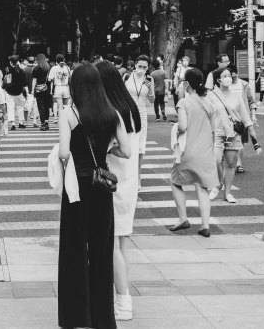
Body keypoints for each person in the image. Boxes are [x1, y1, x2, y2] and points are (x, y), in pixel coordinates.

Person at [57, 62, 131, 329]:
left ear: (76, 86)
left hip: (77, 186)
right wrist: (106, 152)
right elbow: (127, 151)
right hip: (102, 185)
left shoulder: (69, 113)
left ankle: (75, 315)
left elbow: (65, 153)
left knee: (74, 247)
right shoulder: (111, 113)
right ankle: (102, 317)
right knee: (102, 248)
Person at [95, 61, 141, 321]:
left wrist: (103, 148)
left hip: (110, 181)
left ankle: (123, 301)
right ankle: (121, 295)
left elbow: (121, 149)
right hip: (128, 181)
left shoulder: (111, 111)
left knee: (111, 243)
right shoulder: (130, 107)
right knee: (121, 242)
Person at [169, 68, 218, 237]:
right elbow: (213, 130)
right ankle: (205, 225)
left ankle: (183, 218)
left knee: (175, 181)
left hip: (188, 152)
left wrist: (175, 128)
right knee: (202, 188)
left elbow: (183, 126)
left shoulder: (184, 102)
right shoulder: (209, 104)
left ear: (187, 84)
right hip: (205, 152)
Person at [207, 67, 258, 204]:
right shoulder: (211, 96)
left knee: (230, 164)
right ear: (218, 79)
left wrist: (251, 129)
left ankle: (227, 193)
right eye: (225, 76)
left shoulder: (236, 95)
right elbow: (206, 115)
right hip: (216, 133)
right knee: (216, 161)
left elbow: (243, 113)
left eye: (229, 75)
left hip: (233, 134)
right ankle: (217, 184)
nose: (228, 78)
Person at [125, 55, 154, 171]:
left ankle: (138, 175)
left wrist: (150, 89)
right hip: (128, 113)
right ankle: (128, 172)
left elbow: (152, 100)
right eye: (140, 66)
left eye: (144, 67)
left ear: (148, 68)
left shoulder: (149, 79)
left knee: (141, 147)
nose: (141, 69)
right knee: (128, 143)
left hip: (142, 113)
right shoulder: (127, 76)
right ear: (135, 65)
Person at [4, 55, 28, 131]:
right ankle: (21, 123)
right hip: (19, 91)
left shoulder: (7, 70)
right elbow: (24, 83)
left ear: (11, 62)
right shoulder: (21, 71)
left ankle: (13, 124)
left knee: (10, 107)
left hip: (9, 91)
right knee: (20, 107)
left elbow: (5, 81)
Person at [32, 54, 53, 131]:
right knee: (47, 106)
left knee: (41, 107)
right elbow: (51, 80)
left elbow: (34, 80)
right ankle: (47, 122)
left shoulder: (36, 69)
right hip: (47, 89)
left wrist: (32, 89)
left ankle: (43, 123)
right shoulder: (48, 68)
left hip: (39, 89)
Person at [49, 54, 72, 122]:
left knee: (60, 106)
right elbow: (69, 77)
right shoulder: (67, 68)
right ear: (64, 59)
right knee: (65, 106)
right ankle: (65, 120)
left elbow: (49, 79)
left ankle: (60, 120)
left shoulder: (54, 68)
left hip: (58, 88)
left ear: (56, 60)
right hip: (66, 87)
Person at [23, 56, 39, 127]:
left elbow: (23, 81)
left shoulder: (24, 69)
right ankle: (35, 121)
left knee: (25, 106)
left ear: (27, 61)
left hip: (26, 89)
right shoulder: (37, 69)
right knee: (35, 106)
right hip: (36, 90)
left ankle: (26, 122)